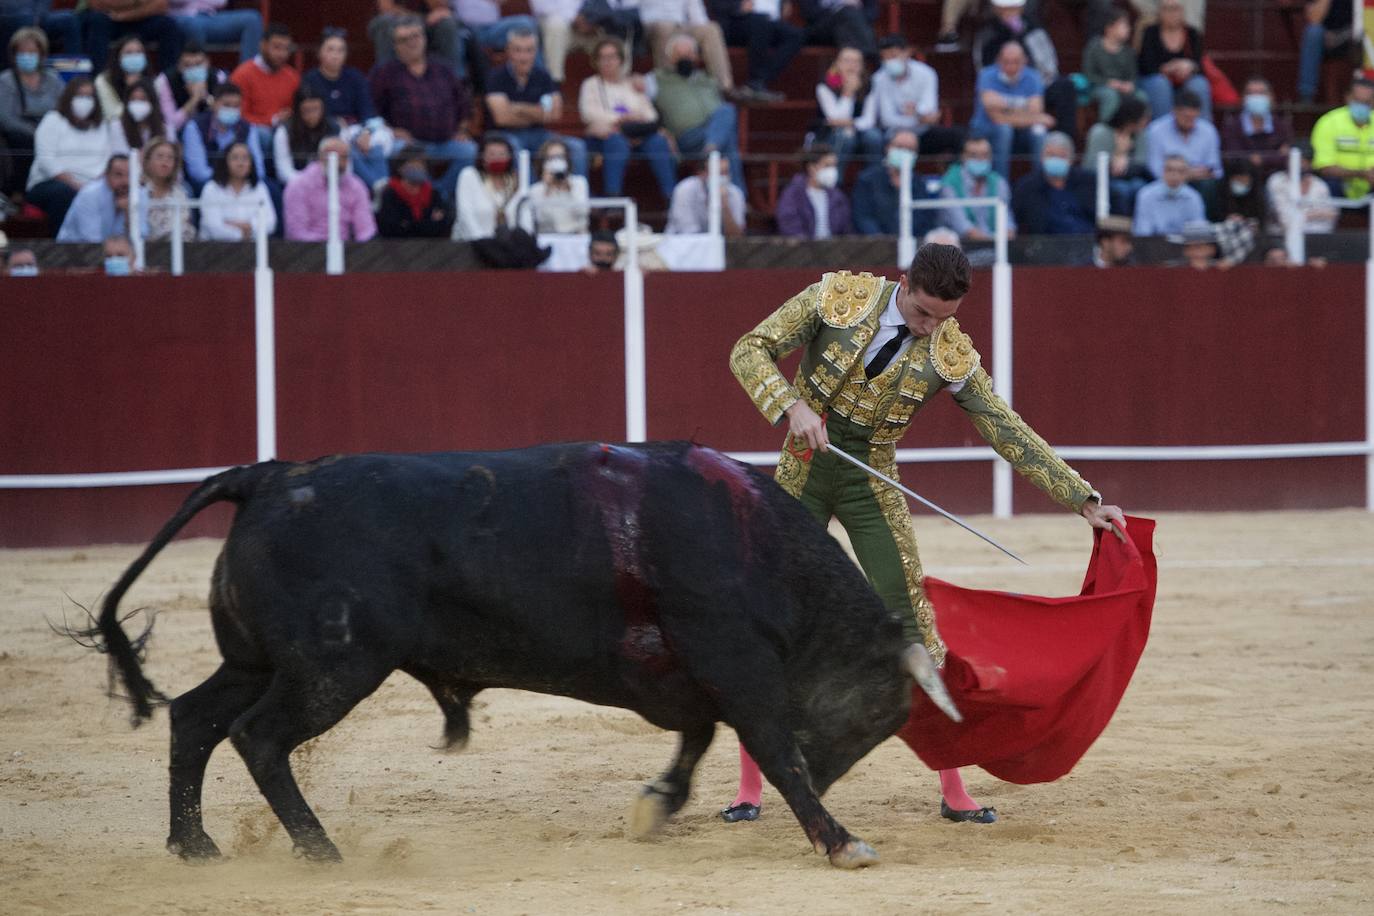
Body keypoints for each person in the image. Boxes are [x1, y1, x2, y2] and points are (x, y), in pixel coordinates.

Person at [724, 242, 1124, 824]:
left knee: (913, 626)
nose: (929, 328)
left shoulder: (950, 351)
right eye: (922, 314)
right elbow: (749, 348)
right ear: (904, 283)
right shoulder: (838, 297)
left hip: (871, 481)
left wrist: (1082, 499)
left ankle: (954, 790)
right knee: (767, 618)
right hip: (801, 469)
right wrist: (791, 406)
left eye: (943, 319)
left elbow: (1004, 426)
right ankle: (749, 787)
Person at [369, 15, 478, 200]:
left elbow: (463, 104)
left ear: (424, 38)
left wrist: (462, 130)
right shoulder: (384, 73)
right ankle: (420, 197)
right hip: (408, 144)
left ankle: (439, 195)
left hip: (445, 142)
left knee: (470, 151)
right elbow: (373, 111)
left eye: (416, 36)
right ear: (395, 45)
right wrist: (391, 131)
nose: (412, 43)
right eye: (404, 39)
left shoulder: (443, 69)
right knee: (393, 150)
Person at [578, 38, 677, 200]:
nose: (607, 62)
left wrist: (633, 121)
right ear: (596, 61)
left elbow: (651, 115)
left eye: (612, 57)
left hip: (637, 134)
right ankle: (613, 197)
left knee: (658, 141)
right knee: (617, 141)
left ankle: (671, 196)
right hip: (605, 137)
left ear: (621, 60)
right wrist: (621, 119)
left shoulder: (632, 84)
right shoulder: (591, 84)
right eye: (602, 58)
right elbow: (588, 113)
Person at [484, 27, 587, 176]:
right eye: (518, 50)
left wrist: (518, 108)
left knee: (576, 147)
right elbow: (502, 118)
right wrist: (537, 112)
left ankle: (576, 190)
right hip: (505, 135)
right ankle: (530, 191)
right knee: (516, 148)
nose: (523, 57)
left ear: (536, 52)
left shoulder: (543, 75)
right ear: (508, 51)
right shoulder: (496, 77)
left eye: (529, 50)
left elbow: (553, 114)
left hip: (539, 133)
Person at [652, 32, 744, 189]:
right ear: (670, 58)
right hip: (687, 137)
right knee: (727, 137)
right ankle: (738, 196)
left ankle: (710, 149)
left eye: (689, 54)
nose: (685, 58)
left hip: (712, 132)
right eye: (680, 55)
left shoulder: (707, 80)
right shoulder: (656, 80)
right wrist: (662, 131)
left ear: (696, 57)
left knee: (727, 111)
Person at [26, 76, 118, 231]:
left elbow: (108, 160)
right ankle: (64, 242)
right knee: (64, 193)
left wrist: (93, 186)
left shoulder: (102, 126)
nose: (84, 101)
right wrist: (76, 185)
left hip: (94, 185)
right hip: (51, 184)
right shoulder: (53, 120)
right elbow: (46, 160)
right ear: (69, 97)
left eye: (89, 97)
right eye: (80, 95)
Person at [969, 40, 1053, 180]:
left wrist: (1004, 106)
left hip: (1021, 130)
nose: (1011, 66)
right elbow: (996, 117)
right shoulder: (987, 75)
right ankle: (1002, 184)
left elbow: (1036, 111)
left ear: (1025, 61)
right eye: (1006, 62)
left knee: (1039, 132)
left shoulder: (1033, 76)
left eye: (1016, 62)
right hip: (987, 129)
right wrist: (1024, 109)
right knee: (1004, 130)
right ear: (998, 61)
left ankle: (1040, 182)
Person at [869, 33, 961, 157]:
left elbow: (929, 109)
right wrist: (918, 117)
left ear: (907, 52)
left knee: (957, 136)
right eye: (885, 58)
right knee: (881, 141)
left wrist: (918, 113)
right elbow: (887, 119)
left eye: (893, 55)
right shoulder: (878, 79)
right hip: (894, 134)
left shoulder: (926, 73)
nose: (889, 61)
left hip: (922, 133)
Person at [0, 27, 64, 194]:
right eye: (22, 52)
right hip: (20, 134)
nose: (26, 56)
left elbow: (64, 108)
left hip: (51, 131)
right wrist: (36, 133)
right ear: (14, 55)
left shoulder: (53, 79)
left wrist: (48, 132)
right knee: (21, 142)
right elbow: (6, 118)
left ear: (41, 54)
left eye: (31, 52)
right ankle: (19, 193)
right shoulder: (5, 80)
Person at [283, 136, 378, 242]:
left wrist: (361, 247)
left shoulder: (356, 187)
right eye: (334, 156)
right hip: (305, 249)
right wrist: (326, 245)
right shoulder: (299, 186)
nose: (339, 163)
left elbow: (366, 229)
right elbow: (297, 232)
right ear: (320, 157)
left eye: (344, 157)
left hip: (346, 248)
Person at [181, 82, 266, 194]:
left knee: (269, 188)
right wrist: (230, 178)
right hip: (209, 183)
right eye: (227, 105)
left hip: (242, 182)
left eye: (236, 106)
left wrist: (237, 179)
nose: (232, 109)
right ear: (214, 104)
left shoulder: (248, 128)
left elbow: (259, 170)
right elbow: (198, 172)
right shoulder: (195, 127)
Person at [707, 0, 801, 101]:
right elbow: (716, 4)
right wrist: (738, 6)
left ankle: (759, 81)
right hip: (736, 21)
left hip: (769, 20)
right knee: (760, 22)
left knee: (796, 35)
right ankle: (756, 81)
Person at [810, 44, 880, 176]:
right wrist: (848, 93)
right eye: (847, 61)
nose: (851, 66)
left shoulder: (868, 84)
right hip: (829, 134)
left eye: (856, 61)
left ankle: (874, 178)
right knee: (845, 136)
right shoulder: (826, 85)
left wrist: (851, 124)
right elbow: (834, 117)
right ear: (837, 63)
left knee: (874, 136)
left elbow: (869, 120)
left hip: (860, 132)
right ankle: (835, 178)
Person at [851, 128, 935, 236]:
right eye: (899, 147)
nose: (904, 153)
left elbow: (926, 218)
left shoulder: (919, 183)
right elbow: (862, 216)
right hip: (876, 243)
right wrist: (880, 239)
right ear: (887, 148)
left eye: (910, 149)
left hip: (914, 241)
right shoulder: (867, 179)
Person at [1144, 88, 1220, 206]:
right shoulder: (1156, 130)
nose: (1189, 122)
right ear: (1174, 111)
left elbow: (1216, 169)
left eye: (1193, 118)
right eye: (1185, 117)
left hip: (1199, 181)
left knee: (1210, 185)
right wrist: (1182, 174)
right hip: (1166, 180)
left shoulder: (1208, 130)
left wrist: (1196, 174)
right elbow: (1155, 168)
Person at [641, 0, 735, 95]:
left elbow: (698, 17)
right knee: (665, 27)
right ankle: (669, 90)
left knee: (711, 29)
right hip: (651, 26)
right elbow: (633, 8)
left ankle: (724, 88)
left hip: (680, 25)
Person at [1137, 0, 1210, 121]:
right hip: (1157, 79)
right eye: (1166, 9)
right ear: (1160, 12)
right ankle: (1163, 129)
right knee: (1160, 84)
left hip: (1185, 78)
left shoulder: (1192, 33)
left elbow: (1200, 66)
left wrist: (1189, 66)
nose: (1171, 13)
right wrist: (1167, 68)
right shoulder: (1150, 32)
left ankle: (1201, 128)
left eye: (1175, 9)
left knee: (1199, 84)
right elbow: (1145, 65)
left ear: (1182, 12)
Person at [1010, 131, 1095, 235]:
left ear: (1071, 159)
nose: (1056, 159)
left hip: (1086, 240)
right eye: (1051, 155)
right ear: (1041, 157)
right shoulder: (1026, 187)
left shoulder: (1088, 182)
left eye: (1061, 156)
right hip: (1045, 243)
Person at [1083, 95, 1151, 216]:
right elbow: (1092, 167)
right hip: (1103, 180)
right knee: (1121, 190)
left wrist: (1124, 161)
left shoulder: (1141, 135)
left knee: (1140, 187)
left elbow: (1141, 163)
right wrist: (1117, 155)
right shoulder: (1100, 132)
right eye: (1143, 118)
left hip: (1130, 178)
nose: (1146, 121)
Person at [939, 133, 1015, 241]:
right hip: (960, 245)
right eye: (973, 155)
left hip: (996, 244)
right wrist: (993, 241)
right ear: (963, 157)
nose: (980, 159)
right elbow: (963, 227)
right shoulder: (949, 183)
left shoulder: (998, 182)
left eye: (985, 155)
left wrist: (1008, 233)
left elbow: (1007, 223)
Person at [228, 22, 300, 133]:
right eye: (277, 47)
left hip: (285, 131)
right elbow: (238, 116)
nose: (282, 54)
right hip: (254, 132)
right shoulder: (242, 75)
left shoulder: (293, 76)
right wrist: (272, 120)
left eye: (286, 48)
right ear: (263, 45)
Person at [1310, 77, 1374, 201]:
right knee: (1326, 185)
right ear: (1348, 98)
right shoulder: (1329, 122)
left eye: (1366, 102)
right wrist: (1362, 173)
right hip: (1338, 184)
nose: (1361, 106)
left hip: (1371, 185)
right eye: (1357, 100)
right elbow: (1324, 167)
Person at [197, 138, 275, 240]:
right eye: (235, 158)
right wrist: (243, 234)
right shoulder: (211, 189)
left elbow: (270, 223)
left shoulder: (259, 188)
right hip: (214, 247)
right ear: (224, 162)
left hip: (253, 246)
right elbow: (213, 227)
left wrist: (248, 226)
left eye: (245, 158)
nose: (240, 163)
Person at [57, 152, 145, 242]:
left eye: (129, 175)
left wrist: (128, 214)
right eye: (118, 175)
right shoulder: (90, 195)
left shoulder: (138, 194)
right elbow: (91, 240)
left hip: (113, 248)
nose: (125, 181)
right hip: (72, 248)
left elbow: (142, 236)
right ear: (106, 175)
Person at [452, 131, 521, 240]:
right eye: (492, 154)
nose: (497, 158)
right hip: (473, 243)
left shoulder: (516, 180)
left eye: (502, 154)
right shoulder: (469, 175)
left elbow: (523, 216)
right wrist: (483, 242)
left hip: (508, 245)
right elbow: (465, 214)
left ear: (510, 157)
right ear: (482, 156)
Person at [368, 0, 465, 76]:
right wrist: (417, 18)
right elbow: (387, 9)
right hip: (395, 21)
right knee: (384, 23)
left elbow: (439, 7)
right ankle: (386, 79)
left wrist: (434, 14)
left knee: (447, 24)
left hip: (426, 22)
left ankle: (454, 80)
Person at [83, 0, 182, 74]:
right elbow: (95, 3)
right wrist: (138, 2)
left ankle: (168, 80)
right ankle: (98, 77)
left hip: (141, 18)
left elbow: (161, 5)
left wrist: (125, 14)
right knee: (96, 21)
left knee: (169, 26)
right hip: (111, 20)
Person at [376, 143, 453, 237]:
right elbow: (390, 228)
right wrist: (427, 223)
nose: (418, 167)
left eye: (422, 164)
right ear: (400, 167)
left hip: (430, 244)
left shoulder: (434, 194)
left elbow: (443, 224)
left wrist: (409, 225)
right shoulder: (390, 193)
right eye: (413, 163)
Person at [775, 143, 850, 239]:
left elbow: (845, 229)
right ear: (811, 167)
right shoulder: (793, 194)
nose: (832, 170)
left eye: (834, 166)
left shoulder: (838, 196)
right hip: (803, 247)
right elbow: (789, 226)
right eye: (827, 165)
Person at [454, 0, 542, 81]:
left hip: (492, 28)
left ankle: (539, 79)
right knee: (456, 34)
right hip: (466, 29)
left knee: (527, 23)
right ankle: (458, 84)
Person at [1220, 77, 1292, 176]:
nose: (1256, 97)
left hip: (1275, 176)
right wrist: (1273, 156)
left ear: (1271, 97)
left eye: (1261, 93)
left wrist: (1261, 159)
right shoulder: (1232, 126)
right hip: (1242, 176)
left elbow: (1286, 156)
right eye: (1251, 93)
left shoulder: (1281, 125)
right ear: (1243, 98)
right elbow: (1233, 156)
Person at [272, 85, 341, 187]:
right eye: (307, 110)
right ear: (298, 110)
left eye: (316, 109)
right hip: (296, 185)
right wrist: (307, 183)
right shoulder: (284, 132)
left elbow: (345, 165)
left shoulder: (334, 128)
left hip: (330, 183)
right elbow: (283, 171)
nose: (312, 115)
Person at [1081, 9, 1141, 125]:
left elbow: (1133, 75)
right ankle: (1107, 129)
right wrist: (1109, 82)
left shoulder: (1128, 52)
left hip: (1122, 87)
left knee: (1140, 97)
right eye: (1124, 25)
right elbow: (1088, 74)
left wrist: (1129, 84)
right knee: (1110, 96)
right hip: (1099, 87)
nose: (1128, 29)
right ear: (1110, 28)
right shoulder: (1094, 47)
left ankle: (1135, 129)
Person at [1266, 141, 1337, 236]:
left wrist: (1301, 216)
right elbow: (1285, 221)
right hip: (1281, 238)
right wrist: (1316, 214)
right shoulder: (1277, 181)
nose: (1299, 165)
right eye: (1294, 161)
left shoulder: (1319, 184)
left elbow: (1331, 217)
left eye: (1303, 161)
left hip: (1317, 238)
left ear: (1310, 163)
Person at [666, 151, 744, 235]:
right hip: (681, 241)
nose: (723, 177)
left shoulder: (735, 193)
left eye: (726, 172)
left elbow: (736, 235)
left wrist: (725, 207)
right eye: (719, 173)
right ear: (702, 173)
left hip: (716, 243)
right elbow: (688, 232)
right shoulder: (685, 189)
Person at [154, 43, 224, 134]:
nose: (193, 69)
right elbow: (171, 125)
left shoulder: (218, 77)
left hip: (211, 132)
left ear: (207, 63)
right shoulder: (165, 81)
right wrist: (194, 99)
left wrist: (206, 97)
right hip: (179, 135)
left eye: (198, 64)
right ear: (179, 66)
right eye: (187, 65)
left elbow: (224, 118)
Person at [524, 136, 590, 233]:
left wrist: (568, 188)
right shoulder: (536, 189)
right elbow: (539, 220)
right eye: (551, 158)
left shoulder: (579, 182)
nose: (556, 162)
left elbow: (583, 213)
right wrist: (547, 189)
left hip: (577, 236)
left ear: (567, 160)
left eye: (560, 157)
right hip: (548, 236)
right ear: (544, 162)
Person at [168, 0, 263, 65]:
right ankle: (197, 79)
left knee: (252, 19)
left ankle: (246, 78)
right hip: (181, 16)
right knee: (194, 27)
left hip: (210, 16)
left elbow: (221, 2)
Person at [1131, 153, 1205, 236]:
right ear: (1162, 171)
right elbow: (1143, 232)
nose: (1175, 175)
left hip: (1185, 243)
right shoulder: (1146, 195)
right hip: (1153, 242)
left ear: (1186, 174)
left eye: (1180, 171)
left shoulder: (1194, 197)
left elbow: (1198, 232)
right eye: (1170, 170)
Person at [1298, 0, 1354, 105]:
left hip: (1354, 32)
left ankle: (1364, 92)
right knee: (1313, 33)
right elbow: (1314, 19)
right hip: (1326, 36)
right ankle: (1307, 94)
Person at [139, 136, 195, 241]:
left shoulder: (181, 192)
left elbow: (183, 227)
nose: (165, 162)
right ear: (148, 161)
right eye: (159, 156)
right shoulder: (139, 192)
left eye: (170, 158)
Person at [798, 0, 877, 65]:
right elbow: (809, 13)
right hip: (822, 28)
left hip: (853, 26)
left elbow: (872, 13)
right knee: (847, 14)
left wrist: (855, 12)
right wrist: (839, 9)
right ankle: (873, 59)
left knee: (849, 17)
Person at [94, 34, 151, 120]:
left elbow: (155, 114)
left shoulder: (154, 80)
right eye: (128, 52)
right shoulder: (103, 80)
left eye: (139, 52)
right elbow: (112, 115)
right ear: (118, 57)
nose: (134, 56)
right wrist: (130, 90)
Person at [0, 2, 80, 55]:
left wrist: (37, 18)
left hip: (35, 18)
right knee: (23, 18)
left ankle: (75, 67)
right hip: (7, 18)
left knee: (69, 18)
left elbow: (43, 3)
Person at [111, 78, 164, 152]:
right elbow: (119, 154)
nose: (137, 103)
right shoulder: (117, 127)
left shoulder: (165, 130)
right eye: (133, 99)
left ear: (152, 103)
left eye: (143, 99)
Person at [1216, 158, 1264, 223]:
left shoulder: (1257, 194)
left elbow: (1261, 218)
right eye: (1238, 180)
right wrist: (1227, 218)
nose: (1241, 183)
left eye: (1244, 181)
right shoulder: (1221, 193)